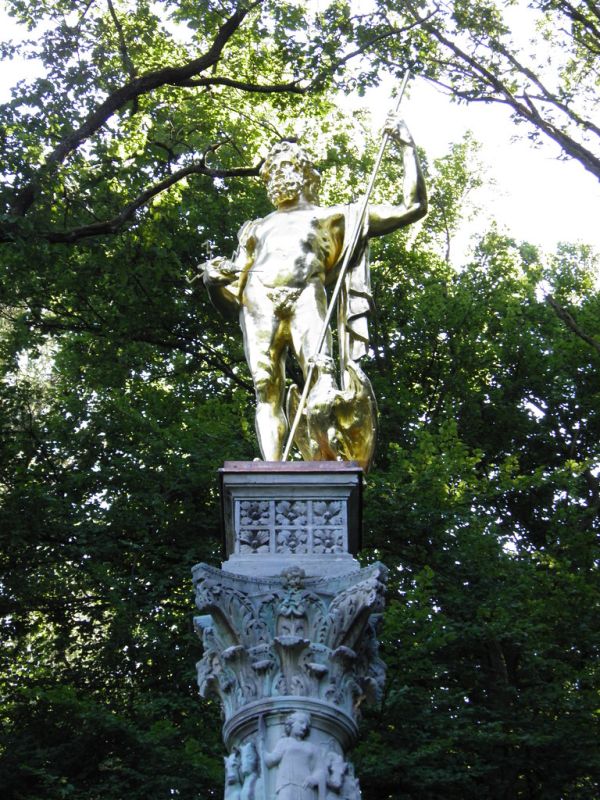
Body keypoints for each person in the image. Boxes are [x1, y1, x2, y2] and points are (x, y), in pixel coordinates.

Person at [202, 113, 426, 467]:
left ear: (304, 173)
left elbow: (411, 207)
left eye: (282, 167)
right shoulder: (255, 229)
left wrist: (406, 146)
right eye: (270, 172)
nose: (274, 176)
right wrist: (213, 285)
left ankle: (328, 455)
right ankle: (271, 467)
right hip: (258, 301)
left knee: (321, 375)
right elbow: (233, 298)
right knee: (265, 386)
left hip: (307, 295)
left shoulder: (332, 216)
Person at [262, 711, 320, 800]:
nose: (304, 727)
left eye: (306, 726)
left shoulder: (311, 747)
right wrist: (260, 746)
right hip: (287, 785)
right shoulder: (284, 742)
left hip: (305, 787)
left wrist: (314, 778)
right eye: (301, 723)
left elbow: (320, 768)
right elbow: (270, 760)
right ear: (291, 723)